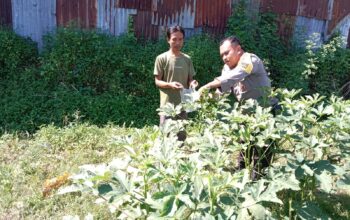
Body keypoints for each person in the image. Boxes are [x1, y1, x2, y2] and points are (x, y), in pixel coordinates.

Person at [198, 35, 276, 106]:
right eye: (222, 56)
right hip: (248, 112)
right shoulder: (227, 68)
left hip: (268, 111)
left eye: (226, 53)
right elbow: (222, 89)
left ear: (238, 49)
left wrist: (207, 86)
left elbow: (235, 75)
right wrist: (207, 98)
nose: (224, 58)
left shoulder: (250, 60)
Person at [154, 25, 197, 126]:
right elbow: (157, 81)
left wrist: (193, 83)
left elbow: (190, 80)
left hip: (183, 104)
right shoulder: (161, 58)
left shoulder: (187, 59)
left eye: (180, 39)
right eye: (174, 39)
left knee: (181, 137)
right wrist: (170, 85)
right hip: (167, 106)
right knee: (166, 136)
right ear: (168, 40)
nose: (178, 43)